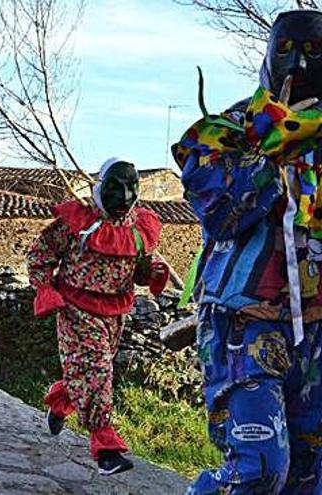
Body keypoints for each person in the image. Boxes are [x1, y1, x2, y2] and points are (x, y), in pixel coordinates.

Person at [175, 9, 322, 493]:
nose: (300, 65)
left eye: (315, 52)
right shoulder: (228, 131)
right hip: (246, 322)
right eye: (287, 50)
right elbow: (221, 214)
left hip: (317, 333)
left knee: (310, 476)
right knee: (258, 471)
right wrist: (273, 146)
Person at [26, 158, 168, 476]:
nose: (124, 196)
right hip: (76, 308)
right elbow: (40, 255)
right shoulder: (77, 222)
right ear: (101, 187)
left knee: (90, 369)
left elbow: (141, 269)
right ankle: (105, 447)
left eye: (130, 188)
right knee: (96, 369)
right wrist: (45, 288)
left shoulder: (139, 226)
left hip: (116, 312)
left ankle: (62, 400)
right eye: (116, 188)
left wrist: (153, 272)